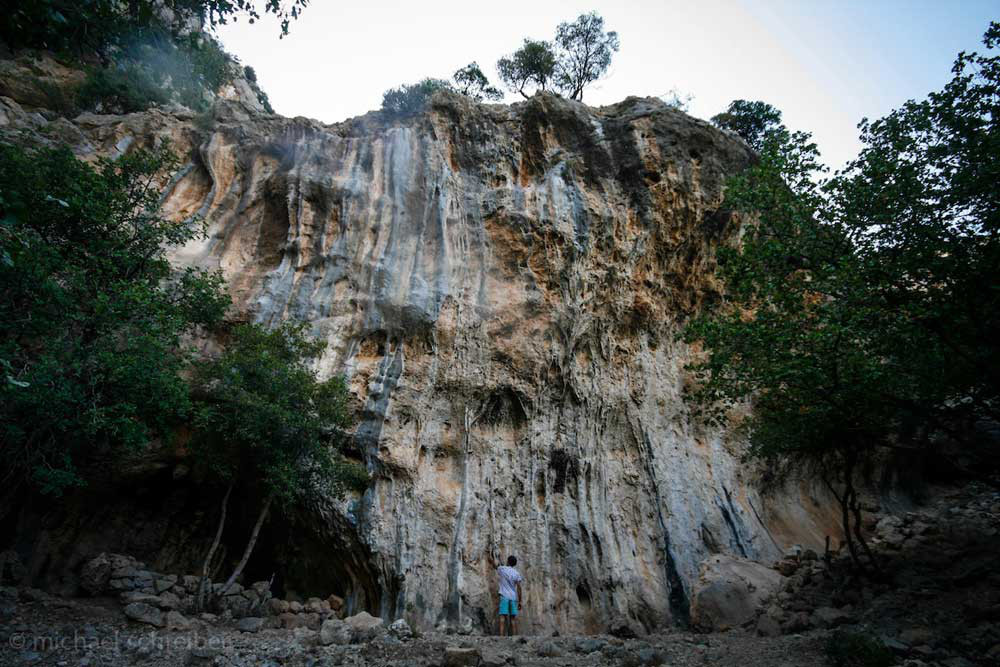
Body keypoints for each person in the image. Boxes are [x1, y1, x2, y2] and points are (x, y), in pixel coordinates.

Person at [497, 555, 523, 636]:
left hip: (504, 596)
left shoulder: (502, 569)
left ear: (508, 561)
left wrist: (490, 555)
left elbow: (494, 564)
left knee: (502, 617)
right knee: (513, 618)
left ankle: (501, 636)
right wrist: (520, 600)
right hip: (513, 597)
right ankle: (514, 637)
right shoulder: (516, 573)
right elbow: (519, 588)